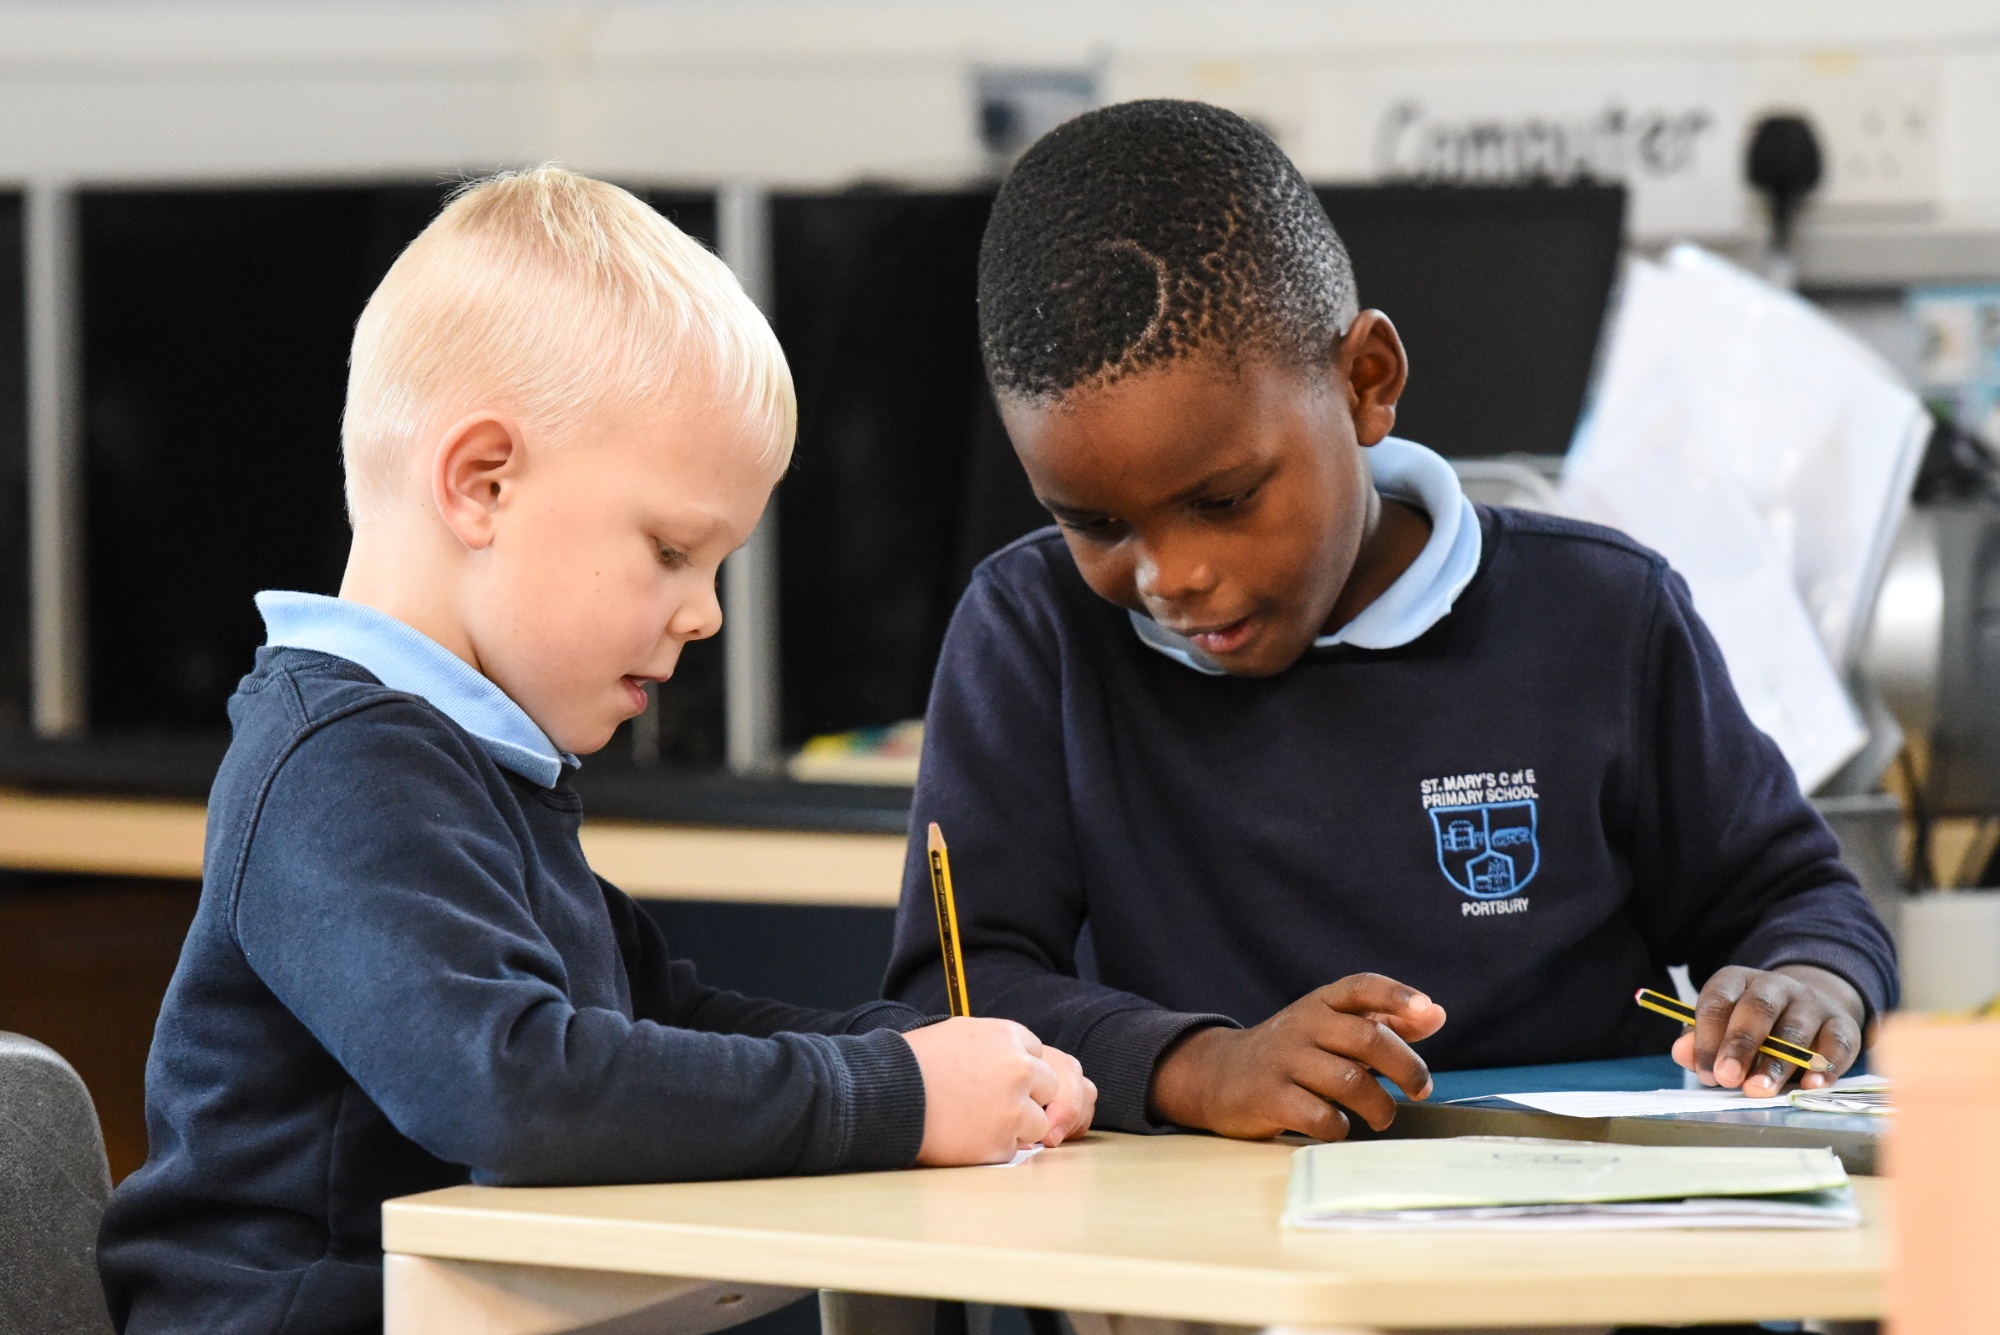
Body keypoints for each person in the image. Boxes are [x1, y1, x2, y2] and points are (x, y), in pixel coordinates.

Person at [98, 167, 1093, 1335]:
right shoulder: (340, 768)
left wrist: (928, 1054)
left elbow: (658, 1028)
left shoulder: (476, 769)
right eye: (672, 549)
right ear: (483, 483)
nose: (705, 612)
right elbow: (514, 1087)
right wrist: (898, 1095)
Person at [884, 100, 1895, 1144]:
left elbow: (1795, 897)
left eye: (1225, 500)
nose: (1171, 577)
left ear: (1365, 383)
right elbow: (957, 996)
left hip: (1580, 1251)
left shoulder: (1601, 615)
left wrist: (1806, 983)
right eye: (1093, 524)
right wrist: (1201, 1067)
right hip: (1214, 1272)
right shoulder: (1032, 633)